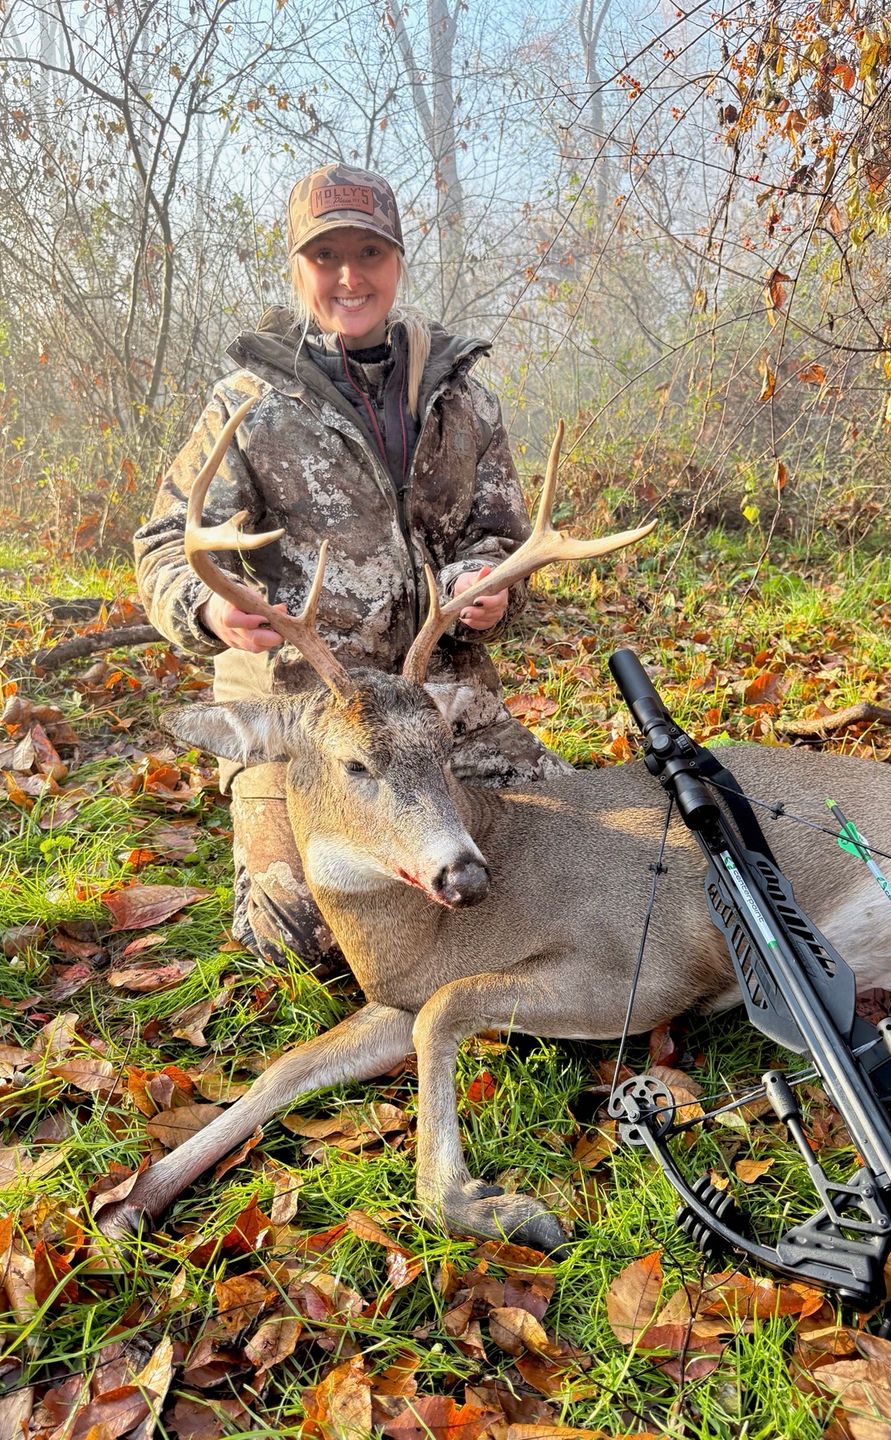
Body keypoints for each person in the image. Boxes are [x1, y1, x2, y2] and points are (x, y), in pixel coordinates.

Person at [135, 162, 570, 968]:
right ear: (298, 268)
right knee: (309, 940)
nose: (348, 276)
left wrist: (492, 583)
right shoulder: (247, 403)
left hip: (439, 708)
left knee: (577, 851)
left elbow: (501, 535)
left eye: (368, 253)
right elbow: (165, 543)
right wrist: (210, 609)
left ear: (397, 262)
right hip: (304, 716)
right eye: (324, 255)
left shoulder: (464, 399)